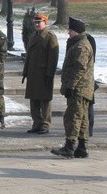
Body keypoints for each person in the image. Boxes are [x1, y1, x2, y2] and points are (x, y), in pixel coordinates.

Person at [51, 17, 95, 159]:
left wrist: (70, 86)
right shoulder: (79, 44)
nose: (68, 32)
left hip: (79, 89)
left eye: (70, 30)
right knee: (81, 118)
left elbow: (79, 69)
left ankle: (70, 147)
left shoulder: (81, 46)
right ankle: (81, 147)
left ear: (76, 31)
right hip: (82, 89)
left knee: (73, 117)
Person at [21, 13, 59, 134]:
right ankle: (36, 123)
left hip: (43, 74)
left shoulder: (49, 37)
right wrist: (25, 71)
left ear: (45, 22)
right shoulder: (33, 36)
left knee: (44, 101)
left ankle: (45, 125)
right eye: (35, 22)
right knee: (34, 100)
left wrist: (49, 74)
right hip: (33, 73)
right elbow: (29, 56)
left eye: (39, 22)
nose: (37, 24)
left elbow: (53, 58)